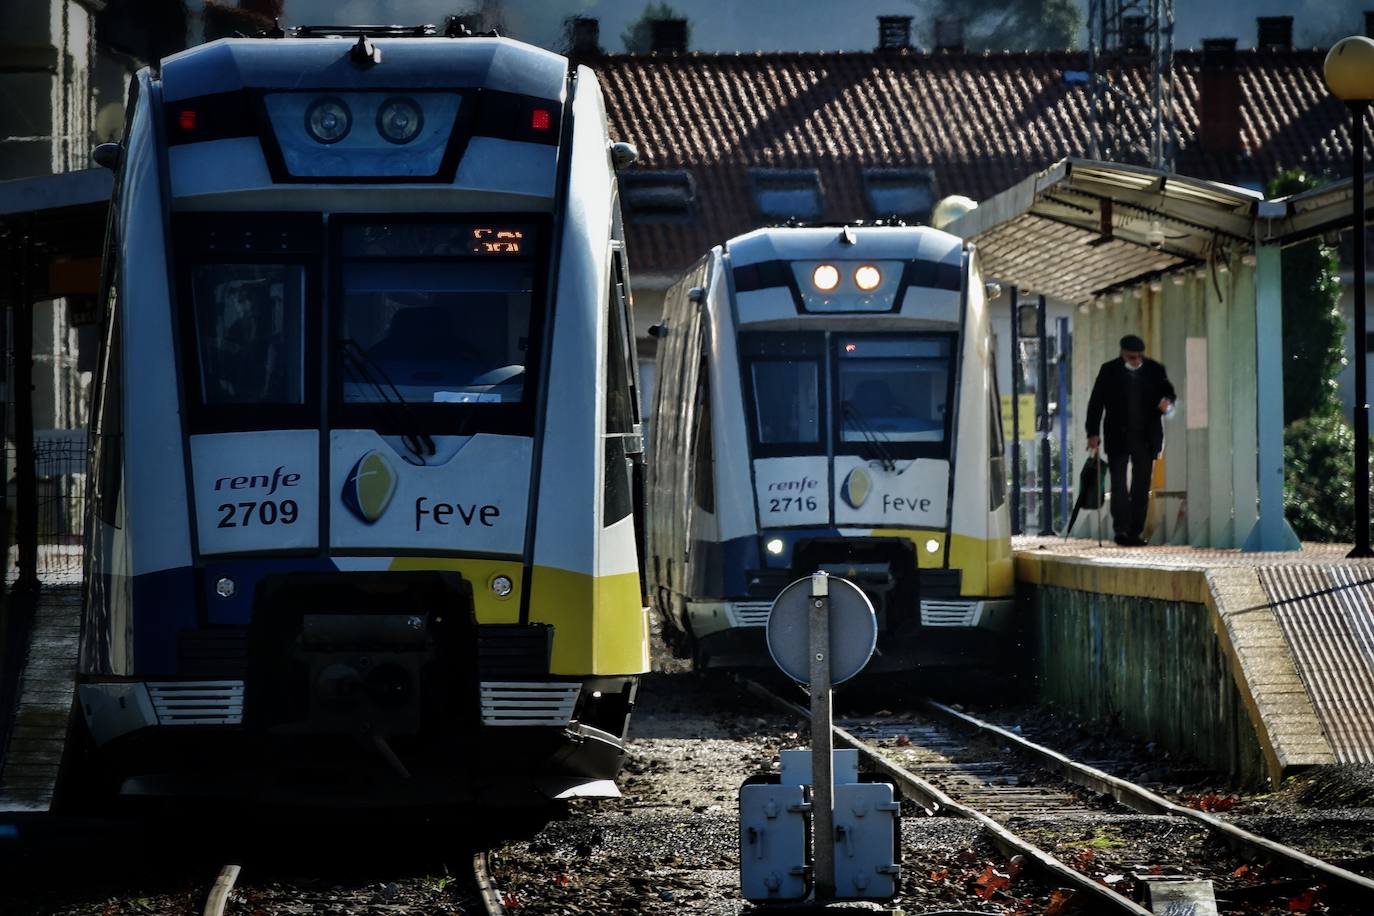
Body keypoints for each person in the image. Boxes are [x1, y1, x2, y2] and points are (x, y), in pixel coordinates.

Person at [1085, 334, 1176, 546]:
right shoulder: (1109, 371)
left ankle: (1135, 532)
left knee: (1141, 486)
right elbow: (1096, 403)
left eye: (1138, 357)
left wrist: (1167, 402)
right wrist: (1092, 433)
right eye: (1131, 357)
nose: (1135, 361)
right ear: (1122, 353)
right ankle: (1121, 530)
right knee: (1118, 485)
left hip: (1146, 438)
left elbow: (1170, 394)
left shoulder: (1155, 370)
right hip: (1117, 437)